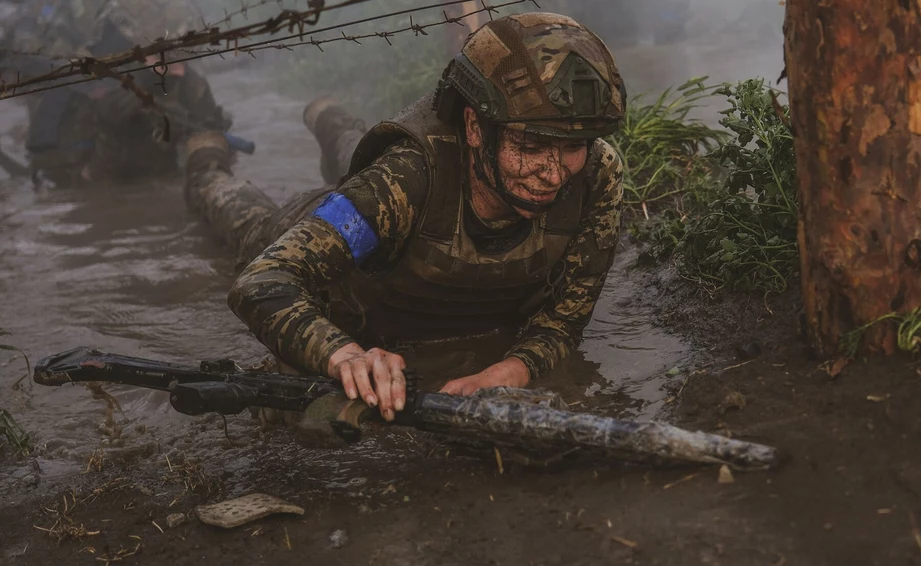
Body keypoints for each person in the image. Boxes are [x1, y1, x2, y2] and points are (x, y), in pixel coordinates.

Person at [184, 12, 626, 423]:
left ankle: (325, 114)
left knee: (356, 153)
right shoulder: (403, 179)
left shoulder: (593, 174)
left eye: (572, 147)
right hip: (314, 221)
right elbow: (262, 281)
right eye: (530, 146)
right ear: (475, 128)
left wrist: (511, 370)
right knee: (233, 208)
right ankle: (205, 158)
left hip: (386, 202)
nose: (552, 175)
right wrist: (345, 356)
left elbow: (564, 319)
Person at [0, 0, 230, 186]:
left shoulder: (188, 82)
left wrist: (204, 157)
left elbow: (213, 139)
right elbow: (64, 187)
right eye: (168, 58)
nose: (180, 71)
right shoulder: (81, 92)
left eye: (184, 57)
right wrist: (110, 134)